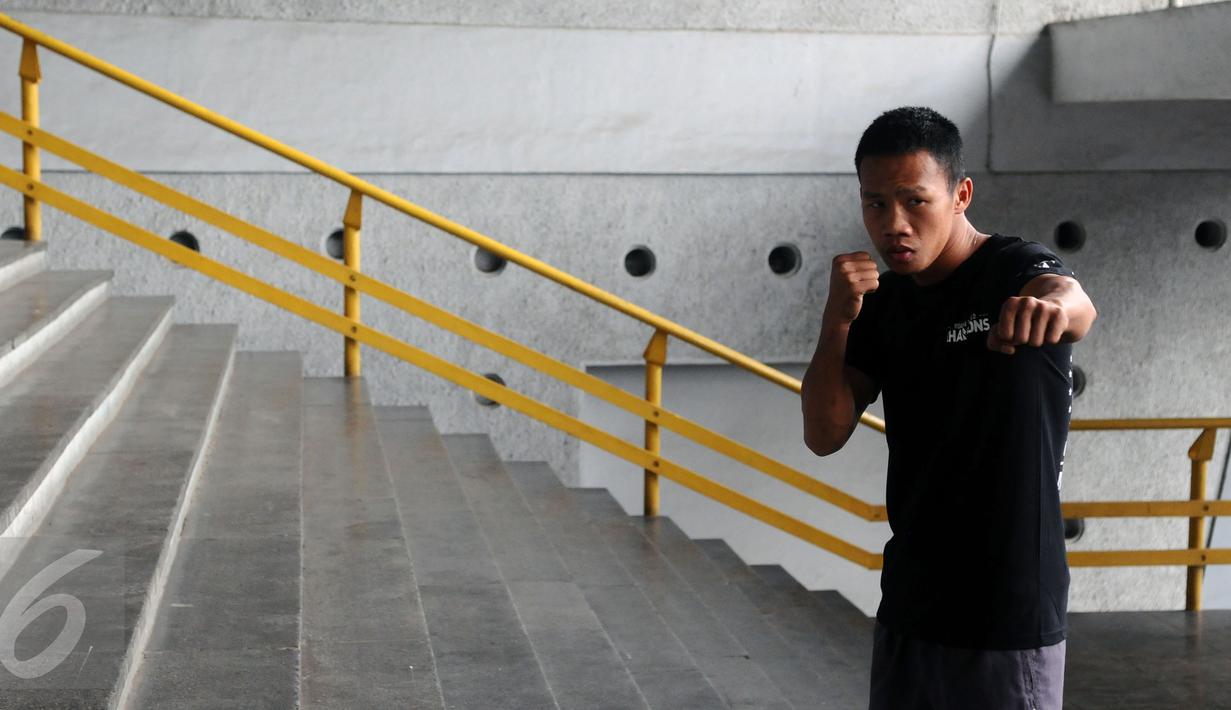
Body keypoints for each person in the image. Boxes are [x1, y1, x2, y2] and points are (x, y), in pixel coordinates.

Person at [800, 106, 1097, 709]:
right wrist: (836, 320)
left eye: (915, 202)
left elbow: (1072, 299)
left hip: (1007, 613)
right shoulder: (883, 306)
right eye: (876, 204)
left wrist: (1054, 310)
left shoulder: (1013, 269)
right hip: (910, 604)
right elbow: (824, 432)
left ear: (960, 194)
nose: (895, 225)